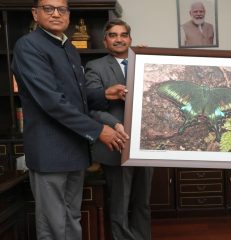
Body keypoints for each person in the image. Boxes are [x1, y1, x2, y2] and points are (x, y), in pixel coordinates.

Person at [11, 0, 129, 239]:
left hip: (75, 149)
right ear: (35, 13)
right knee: (54, 225)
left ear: (68, 14)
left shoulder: (68, 47)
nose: (56, 14)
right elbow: (52, 102)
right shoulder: (29, 46)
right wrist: (99, 131)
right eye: (48, 8)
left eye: (62, 9)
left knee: (71, 218)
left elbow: (77, 96)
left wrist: (105, 93)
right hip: (50, 152)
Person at [85, 19, 153, 240]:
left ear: (130, 39)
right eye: (113, 35)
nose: (119, 39)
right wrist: (115, 124)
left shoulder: (145, 61)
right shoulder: (95, 66)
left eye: (123, 35)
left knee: (143, 201)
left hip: (147, 144)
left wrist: (148, 59)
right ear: (105, 40)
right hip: (116, 142)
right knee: (120, 202)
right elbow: (90, 106)